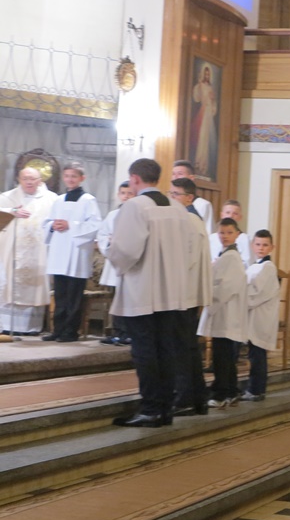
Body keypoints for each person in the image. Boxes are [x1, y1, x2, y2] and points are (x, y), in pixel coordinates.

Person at [107, 158, 193, 428]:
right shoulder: (178, 208)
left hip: (143, 291)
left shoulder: (135, 207)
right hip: (171, 292)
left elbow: (126, 250)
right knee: (165, 348)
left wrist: (110, 253)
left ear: (134, 178)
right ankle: (165, 408)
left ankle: (151, 408)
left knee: (145, 350)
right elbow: (189, 249)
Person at [42, 163, 101, 342]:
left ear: (82, 178)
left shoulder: (88, 200)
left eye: (74, 176)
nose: (70, 179)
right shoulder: (59, 200)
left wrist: (71, 225)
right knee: (60, 294)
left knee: (74, 296)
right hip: (59, 252)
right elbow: (47, 222)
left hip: (77, 254)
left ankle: (71, 331)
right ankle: (58, 329)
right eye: (67, 176)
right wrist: (52, 225)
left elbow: (95, 225)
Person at [0, 167, 58, 335]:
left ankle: (31, 328)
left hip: (38, 252)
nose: (29, 182)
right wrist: (12, 211)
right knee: (10, 285)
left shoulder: (51, 199)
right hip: (12, 251)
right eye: (25, 178)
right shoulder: (7, 197)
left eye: (32, 179)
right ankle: (8, 326)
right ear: (19, 179)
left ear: (40, 181)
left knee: (34, 289)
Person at [172, 178, 212, 417]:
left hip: (183, 293)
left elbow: (185, 260)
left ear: (189, 198)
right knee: (188, 346)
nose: (172, 198)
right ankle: (198, 398)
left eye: (175, 194)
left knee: (181, 347)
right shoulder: (192, 219)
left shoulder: (188, 220)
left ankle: (184, 398)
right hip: (188, 293)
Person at [200, 218, 247, 409]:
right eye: (221, 232)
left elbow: (227, 287)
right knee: (225, 354)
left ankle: (221, 393)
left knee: (222, 355)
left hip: (225, 312)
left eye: (229, 232)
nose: (225, 236)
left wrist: (208, 299)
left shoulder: (232, 257)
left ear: (237, 234)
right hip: (224, 311)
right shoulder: (226, 255)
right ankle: (231, 391)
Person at [242, 229, 279, 402]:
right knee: (254, 353)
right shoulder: (255, 266)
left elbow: (257, 292)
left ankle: (256, 390)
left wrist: (240, 300)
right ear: (252, 245)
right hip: (254, 316)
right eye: (257, 244)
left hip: (261, 317)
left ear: (272, 247)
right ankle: (254, 388)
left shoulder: (268, 267)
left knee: (257, 354)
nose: (261, 248)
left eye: (265, 245)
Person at [97, 181, 134, 346]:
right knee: (115, 299)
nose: (126, 196)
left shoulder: (137, 214)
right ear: (118, 195)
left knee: (129, 300)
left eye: (130, 193)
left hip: (130, 264)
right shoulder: (112, 215)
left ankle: (129, 333)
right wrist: (110, 243)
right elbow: (102, 235)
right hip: (114, 262)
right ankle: (117, 332)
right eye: (123, 193)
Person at [189, 64, 218, 177]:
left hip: (209, 114)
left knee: (207, 139)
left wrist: (213, 100)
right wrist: (199, 87)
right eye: (205, 74)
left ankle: (205, 165)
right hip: (203, 112)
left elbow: (214, 106)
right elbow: (196, 98)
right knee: (201, 137)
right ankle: (199, 162)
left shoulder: (210, 88)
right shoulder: (200, 86)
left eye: (208, 74)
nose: (207, 76)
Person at [171, 161, 213, 233]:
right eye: (173, 174)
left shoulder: (203, 205)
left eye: (180, 174)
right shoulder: (171, 202)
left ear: (191, 178)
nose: (175, 177)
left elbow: (207, 231)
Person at [208, 200, 251, 264]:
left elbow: (247, 262)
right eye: (227, 212)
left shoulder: (245, 238)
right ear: (222, 215)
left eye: (235, 213)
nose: (231, 216)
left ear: (240, 217)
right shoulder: (211, 238)